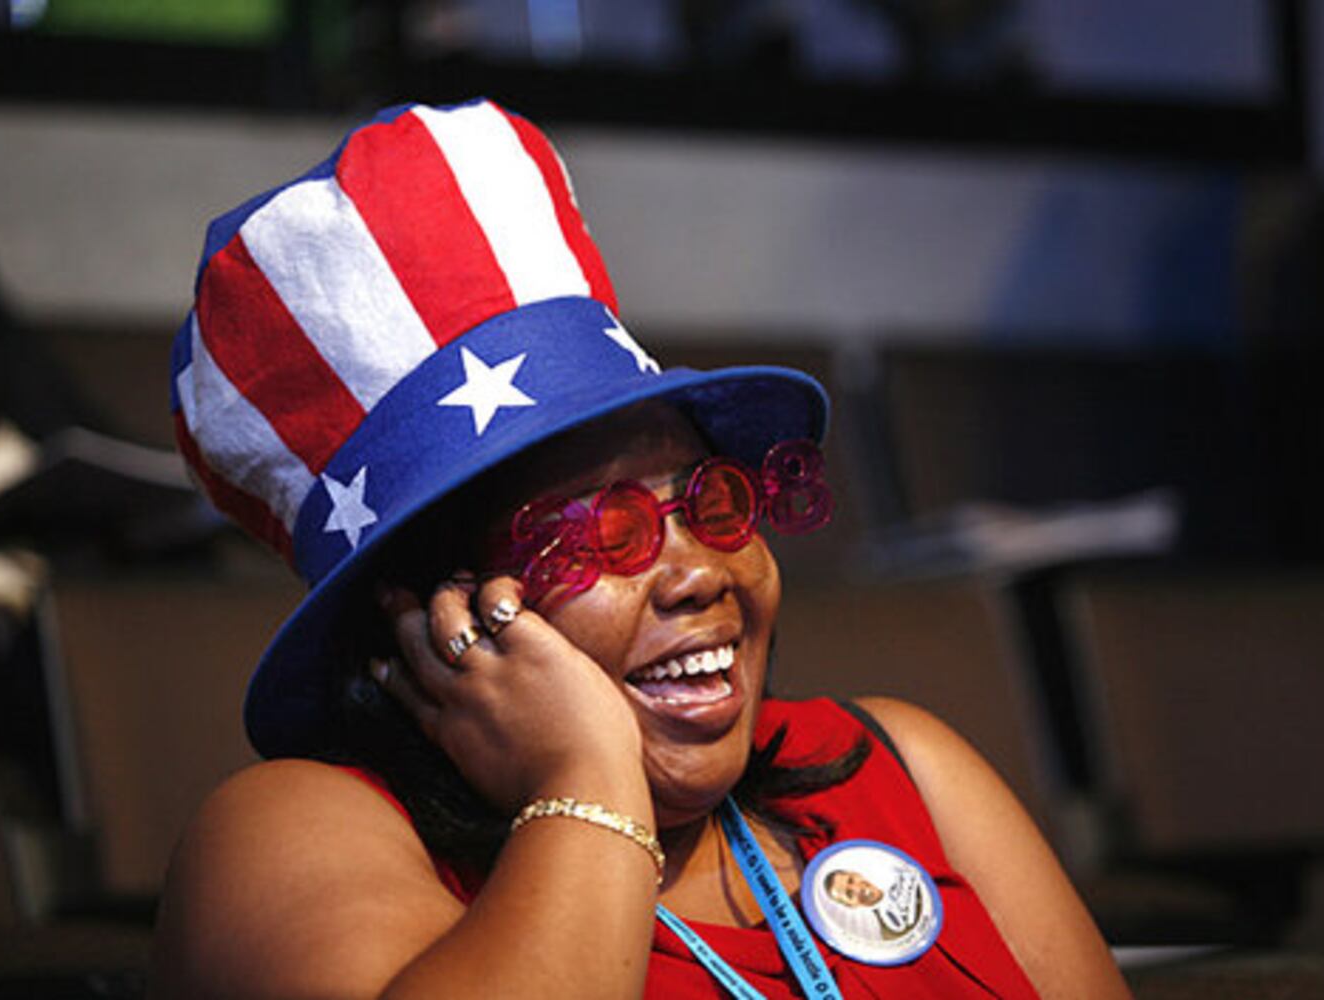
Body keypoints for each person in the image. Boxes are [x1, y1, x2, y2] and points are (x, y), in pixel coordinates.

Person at [147, 98, 1131, 999]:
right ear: (430, 617)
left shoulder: (891, 765)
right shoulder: (287, 833)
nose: (702, 570)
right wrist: (584, 779)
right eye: (595, 531)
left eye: (711, 500)